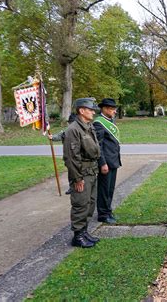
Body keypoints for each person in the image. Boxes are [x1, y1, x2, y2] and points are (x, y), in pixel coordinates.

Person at [63, 98, 101, 248]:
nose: (93, 112)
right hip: (81, 174)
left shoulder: (88, 126)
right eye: (90, 109)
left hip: (91, 171)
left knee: (90, 203)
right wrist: (78, 179)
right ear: (81, 111)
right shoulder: (73, 130)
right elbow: (71, 158)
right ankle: (77, 236)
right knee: (80, 204)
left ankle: (84, 231)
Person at [94, 98, 122, 224]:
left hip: (113, 160)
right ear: (104, 109)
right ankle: (103, 214)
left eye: (114, 108)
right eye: (111, 109)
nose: (114, 111)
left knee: (110, 189)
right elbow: (98, 146)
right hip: (106, 163)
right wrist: (102, 163)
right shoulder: (99, 123)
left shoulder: (109, 121)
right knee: (104, 190)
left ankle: (108, 211)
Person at [49, 113, 77, 194]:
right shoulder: (66, 131)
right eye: (70, 122)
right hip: (69, 156)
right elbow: (60, 135)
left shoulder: (81, 130)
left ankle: (80, 187)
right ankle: (72, 188)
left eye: (73, 122)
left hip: (79, 156)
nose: (71, 124)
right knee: (71, 173)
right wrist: (52, 137)